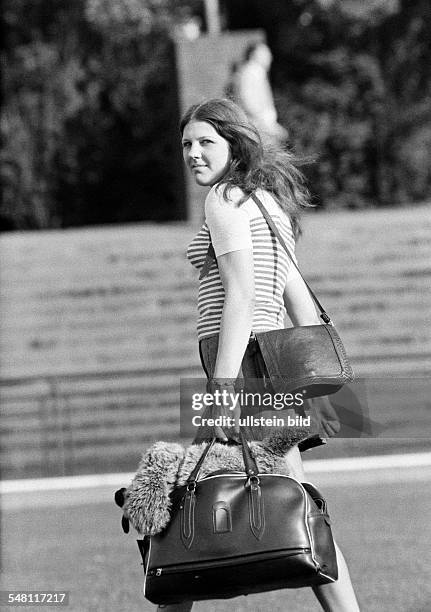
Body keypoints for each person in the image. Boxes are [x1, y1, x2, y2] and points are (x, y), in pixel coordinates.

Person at [156, 98, 360, 611]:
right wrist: (312, 386)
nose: (194, 153)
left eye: (206, 142)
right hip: (269, 365)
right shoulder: (269, 203)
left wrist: (220, 391)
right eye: (187, 144)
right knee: (294, 498)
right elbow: (297, 300)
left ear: (233, 144)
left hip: (243, 366)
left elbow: (242, 294)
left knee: (193, 492)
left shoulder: (223, 199)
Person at [227, 42, 288, 146]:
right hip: (258, 126)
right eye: (265, 53)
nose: (269, 56)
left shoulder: (254, 72)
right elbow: (248, 102)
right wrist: (267, 124)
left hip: (260, 125)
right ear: (254, 55)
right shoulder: (252, 72)